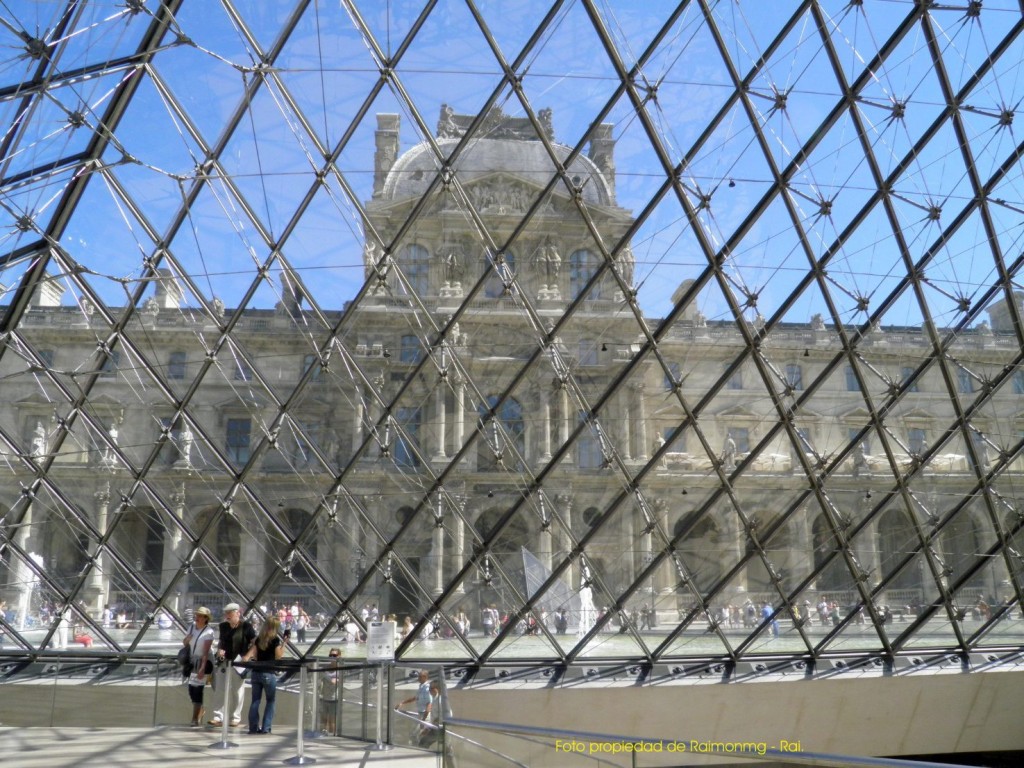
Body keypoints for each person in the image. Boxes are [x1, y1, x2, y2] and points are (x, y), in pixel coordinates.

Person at [209, 602, 256, 727]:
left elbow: (255, 643)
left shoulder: (246, 627)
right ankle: (218, 716)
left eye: (230, 613)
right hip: (224, 662)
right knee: (220, 689)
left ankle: (235, 717)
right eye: (226, 613)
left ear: (238, 613)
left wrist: (247, 656)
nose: (227, 615)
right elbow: (221, 642)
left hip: (239, 663)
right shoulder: (223, 626)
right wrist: (219, 650)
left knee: (237, 690)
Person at [242, 615, 284, 734]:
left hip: (256, 673)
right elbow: (278, 656)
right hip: (268, 673)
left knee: (255, 700)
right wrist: (284, 644)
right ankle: (266, 728)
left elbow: (255, 656)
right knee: (270, 700)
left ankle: (253, 727)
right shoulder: (275, 639)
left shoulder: (259, 639)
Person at [184, 607, 215, 727]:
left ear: (206, 618)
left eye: (200, 616)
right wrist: (188, 638)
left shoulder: (209, 632)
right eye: (197, 615)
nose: (197, 617)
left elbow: (206, 652)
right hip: (192, 661)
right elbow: (185, 643)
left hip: (203, 662)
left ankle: (195, 718)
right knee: (191, 688)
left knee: (197, 689)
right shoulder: (191, 627)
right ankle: (200, 710)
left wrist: (202, 669)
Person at [320, 648, 341, 734]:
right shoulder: (325, 667)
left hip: (334, 699)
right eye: (330, 655)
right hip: (324, 698)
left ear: (339, 657)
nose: (332, 657)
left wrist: (325, 676)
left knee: (332, 722)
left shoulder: (340, 670)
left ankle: (332, 737)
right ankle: (322, 736)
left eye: (334, 655)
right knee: (323, 721)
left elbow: (335, 682)